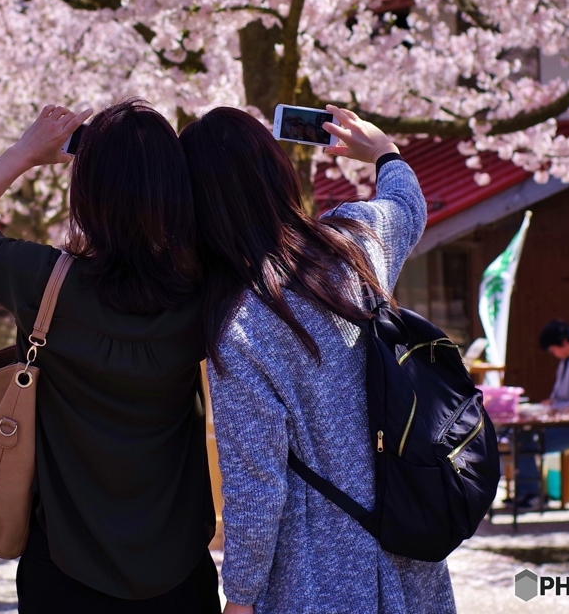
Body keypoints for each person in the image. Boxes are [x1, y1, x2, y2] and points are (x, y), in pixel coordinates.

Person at [0, 101, 219, 613]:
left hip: (62, 565)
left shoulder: (42, 280)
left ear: (86, 191)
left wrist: (24, 153)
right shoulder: (209, 294)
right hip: (178, 570)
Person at [181, 104, 456, 614]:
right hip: (410, 538)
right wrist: (384, 153)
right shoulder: (354, 242)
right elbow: (407, 205)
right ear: (276, 174)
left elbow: (256, 489)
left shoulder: (237, 328)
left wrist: (239, 600)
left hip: (316, 573)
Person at [515, 319, 569, 508]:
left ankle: (532, 494)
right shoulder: (568, 361)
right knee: (522, 436)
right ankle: (528, 492)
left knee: (527, 441)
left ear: (564, 342)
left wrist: (552, 408)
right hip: (567, 423)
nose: (553, 353)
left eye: (553, 349)